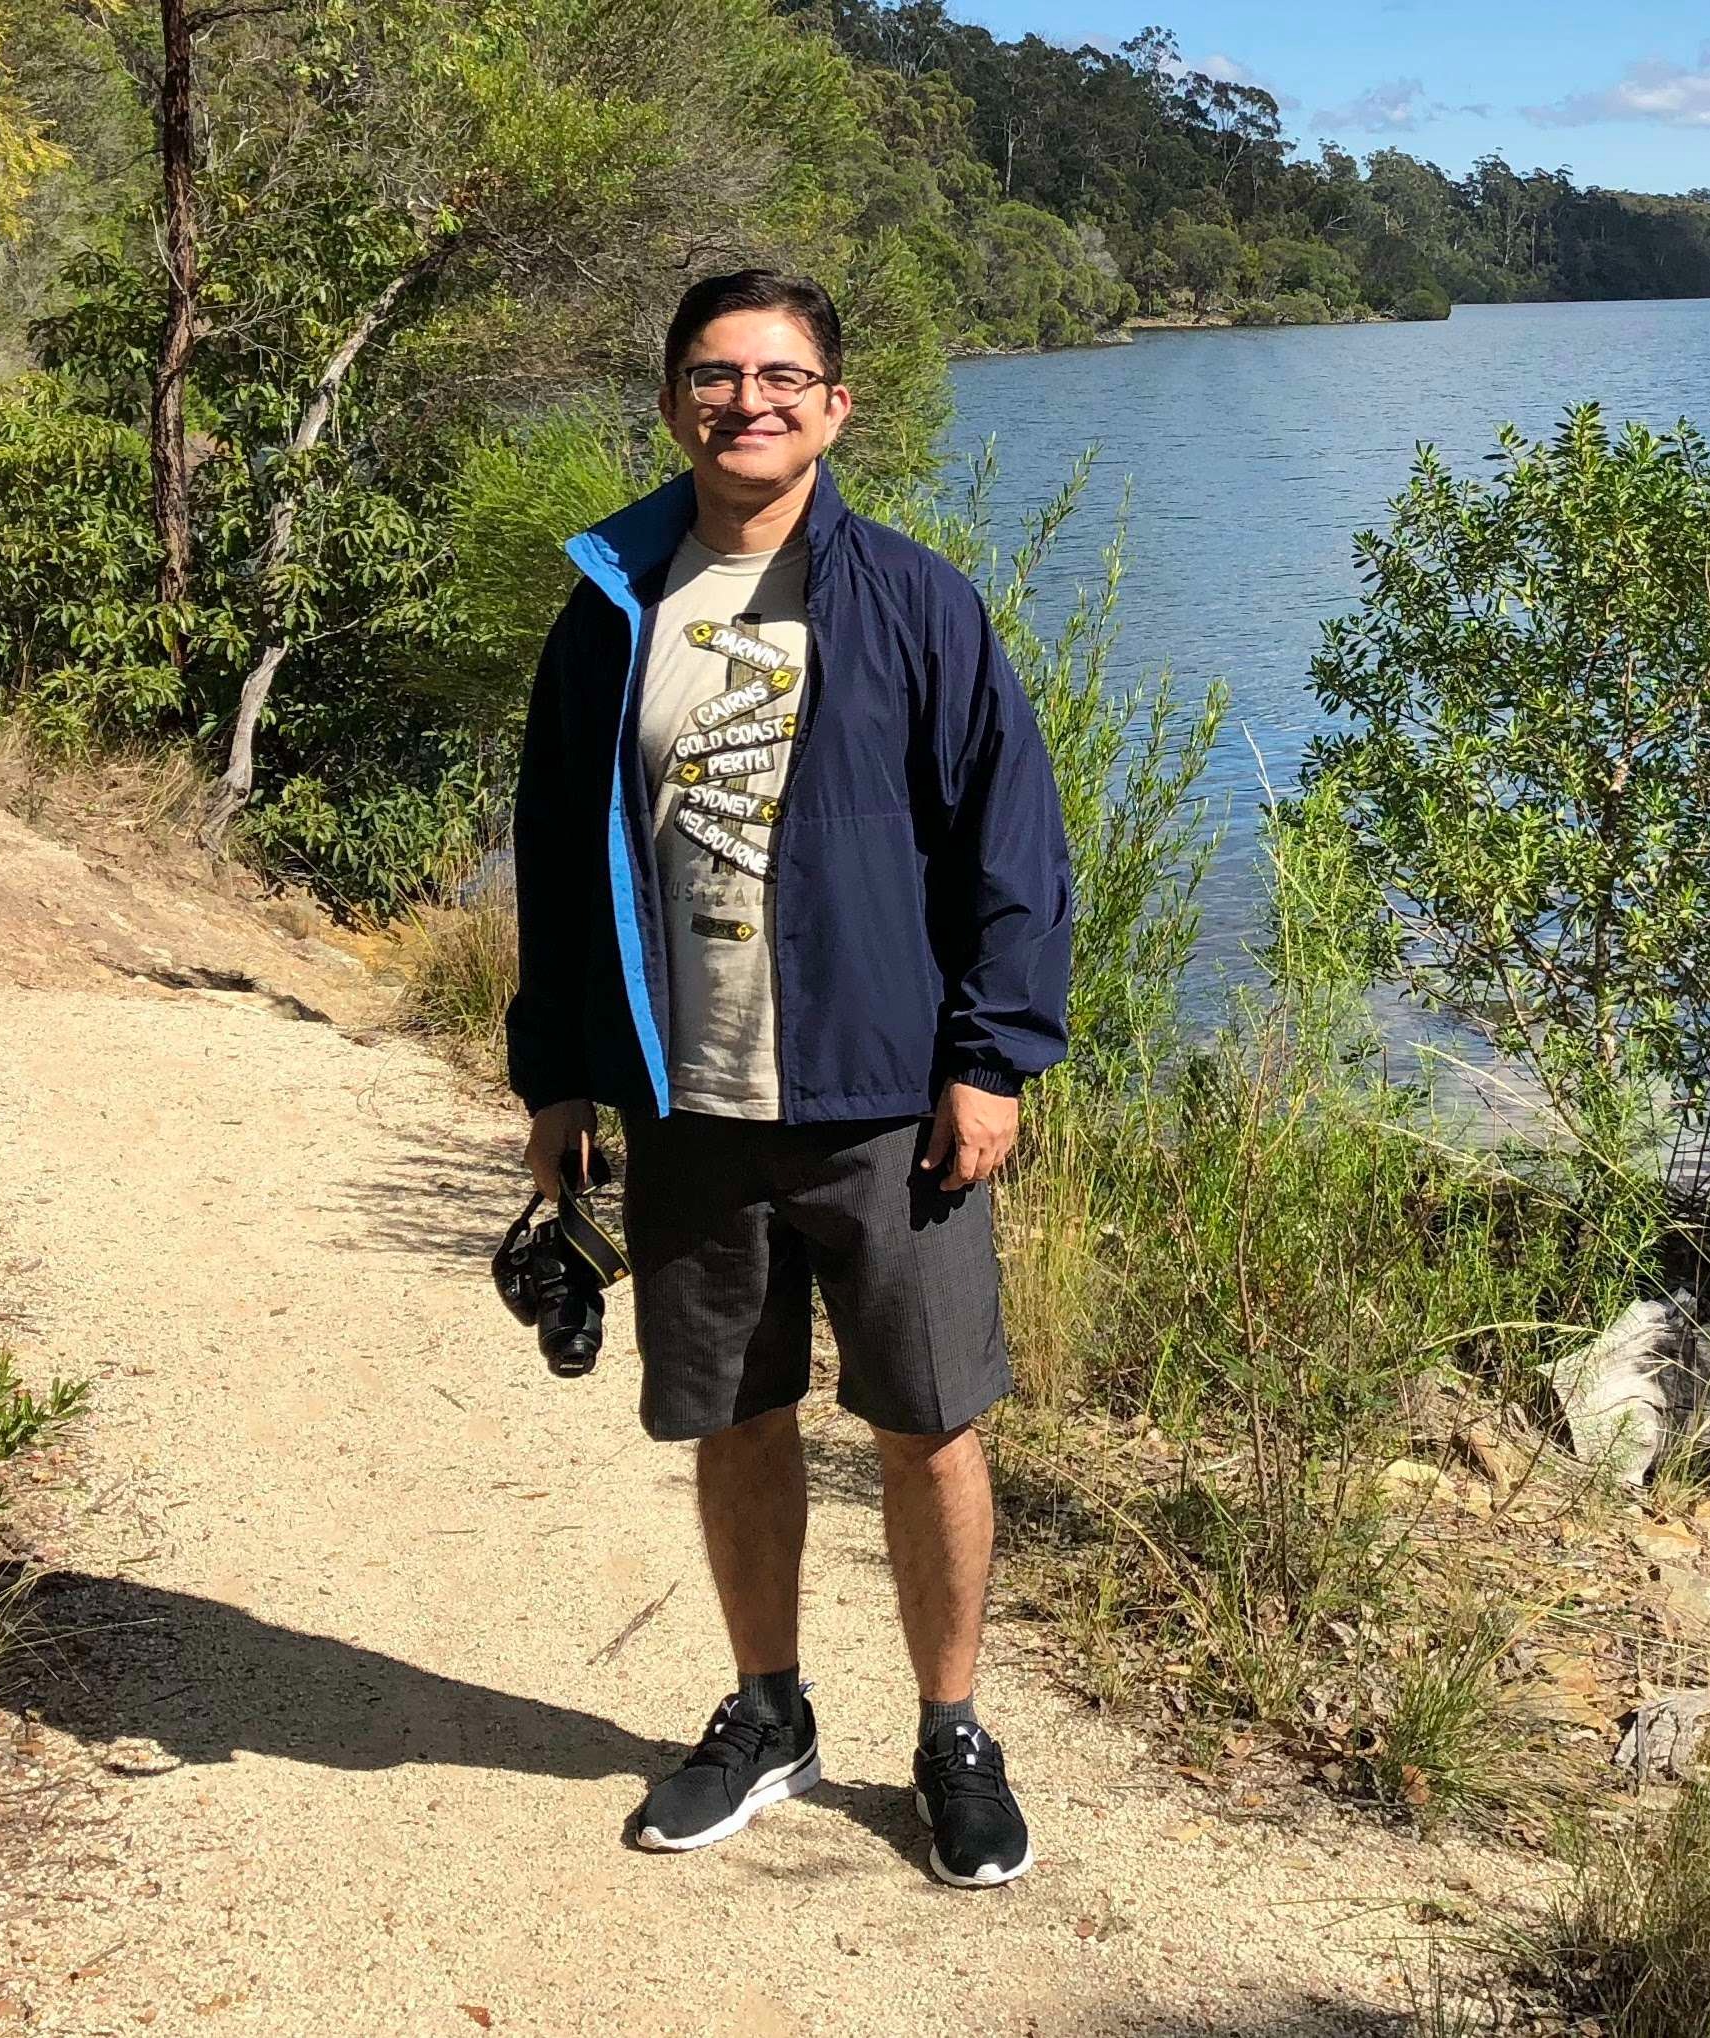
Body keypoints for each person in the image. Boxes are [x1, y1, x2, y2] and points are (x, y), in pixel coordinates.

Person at [505, 270, 1071, 1888]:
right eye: (712, 373)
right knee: (736, 1421)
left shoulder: (912, 601)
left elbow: (1009, 843)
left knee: (929, 1427)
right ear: (673, 399)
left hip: (889, 1102)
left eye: (780, 375)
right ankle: (768, 1710)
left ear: (834, 406)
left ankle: (952, 1728)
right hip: (688, 1104)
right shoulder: (613, 607)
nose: (746, 400)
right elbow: (556, 852)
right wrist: (556, 1078)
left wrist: (992, 1058)